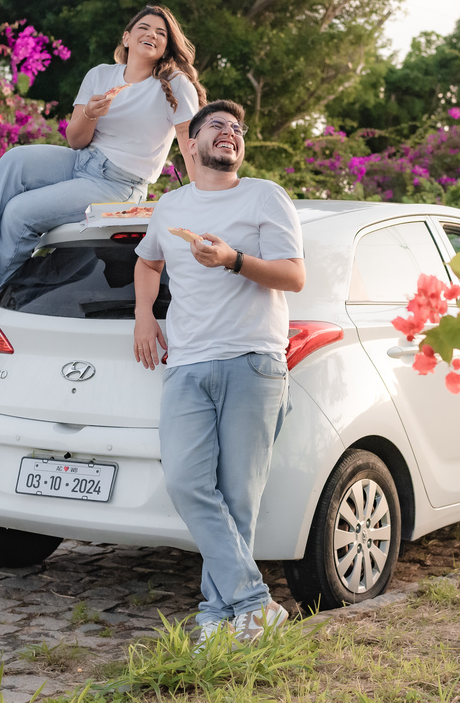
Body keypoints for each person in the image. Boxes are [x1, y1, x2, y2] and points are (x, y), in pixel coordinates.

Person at [132, 100, 306, 645]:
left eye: (237, 129)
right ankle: (254, 603)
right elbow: (147, 261)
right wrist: (143, 315)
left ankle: (217, 615)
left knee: (237, 499)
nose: (229, 133)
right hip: (186, 364)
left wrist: (234, 260)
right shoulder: (169, 206)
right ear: (191, 144)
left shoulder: (265, 196)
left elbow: (294, 276)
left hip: (252, 361)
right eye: (217, 127)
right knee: (186, 481)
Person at [0, 4, 208, 327]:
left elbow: (187, 140)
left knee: (19, 212)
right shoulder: (99, 75)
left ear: (166, 46)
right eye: (144, 28)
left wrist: (202, 198)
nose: (152, 34)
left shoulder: (175, 84)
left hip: (118, 184)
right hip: (82, 160)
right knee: (14, 160)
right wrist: (91, 114)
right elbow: (75, 139)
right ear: (127, 37)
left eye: (161, 33)